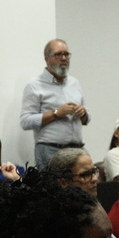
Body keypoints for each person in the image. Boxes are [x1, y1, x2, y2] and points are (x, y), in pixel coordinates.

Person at [19, 39, 89, 169]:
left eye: (66, 54)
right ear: (46, 59)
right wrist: (56, 113)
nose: (63, 58)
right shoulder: (34, 86)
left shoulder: (75, 83)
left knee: (90, 179)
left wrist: (83, 113)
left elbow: (86, 119)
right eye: (58, 54)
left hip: (77, 150)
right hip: (51, 151)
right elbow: (25, 121)